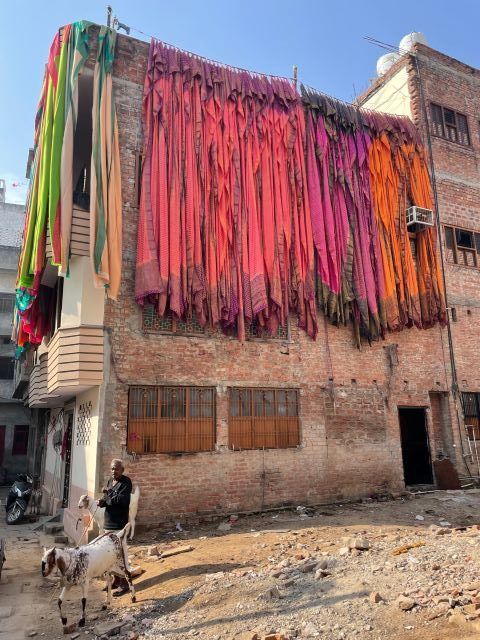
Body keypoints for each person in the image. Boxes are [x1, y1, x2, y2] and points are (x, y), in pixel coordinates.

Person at [98, 458, 132, 596]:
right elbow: (108, 500)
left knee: (120, 554)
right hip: (108, 523)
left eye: (116, 469)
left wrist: (108, 494)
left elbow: (122, 501)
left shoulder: (126, 482)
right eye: (112, 468)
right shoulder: (109, 482)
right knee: (110, 553)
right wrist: (102, 502)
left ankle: (124, 584)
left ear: (122, 470)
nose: (114, 471)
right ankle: (115, 580)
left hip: (119, 524)